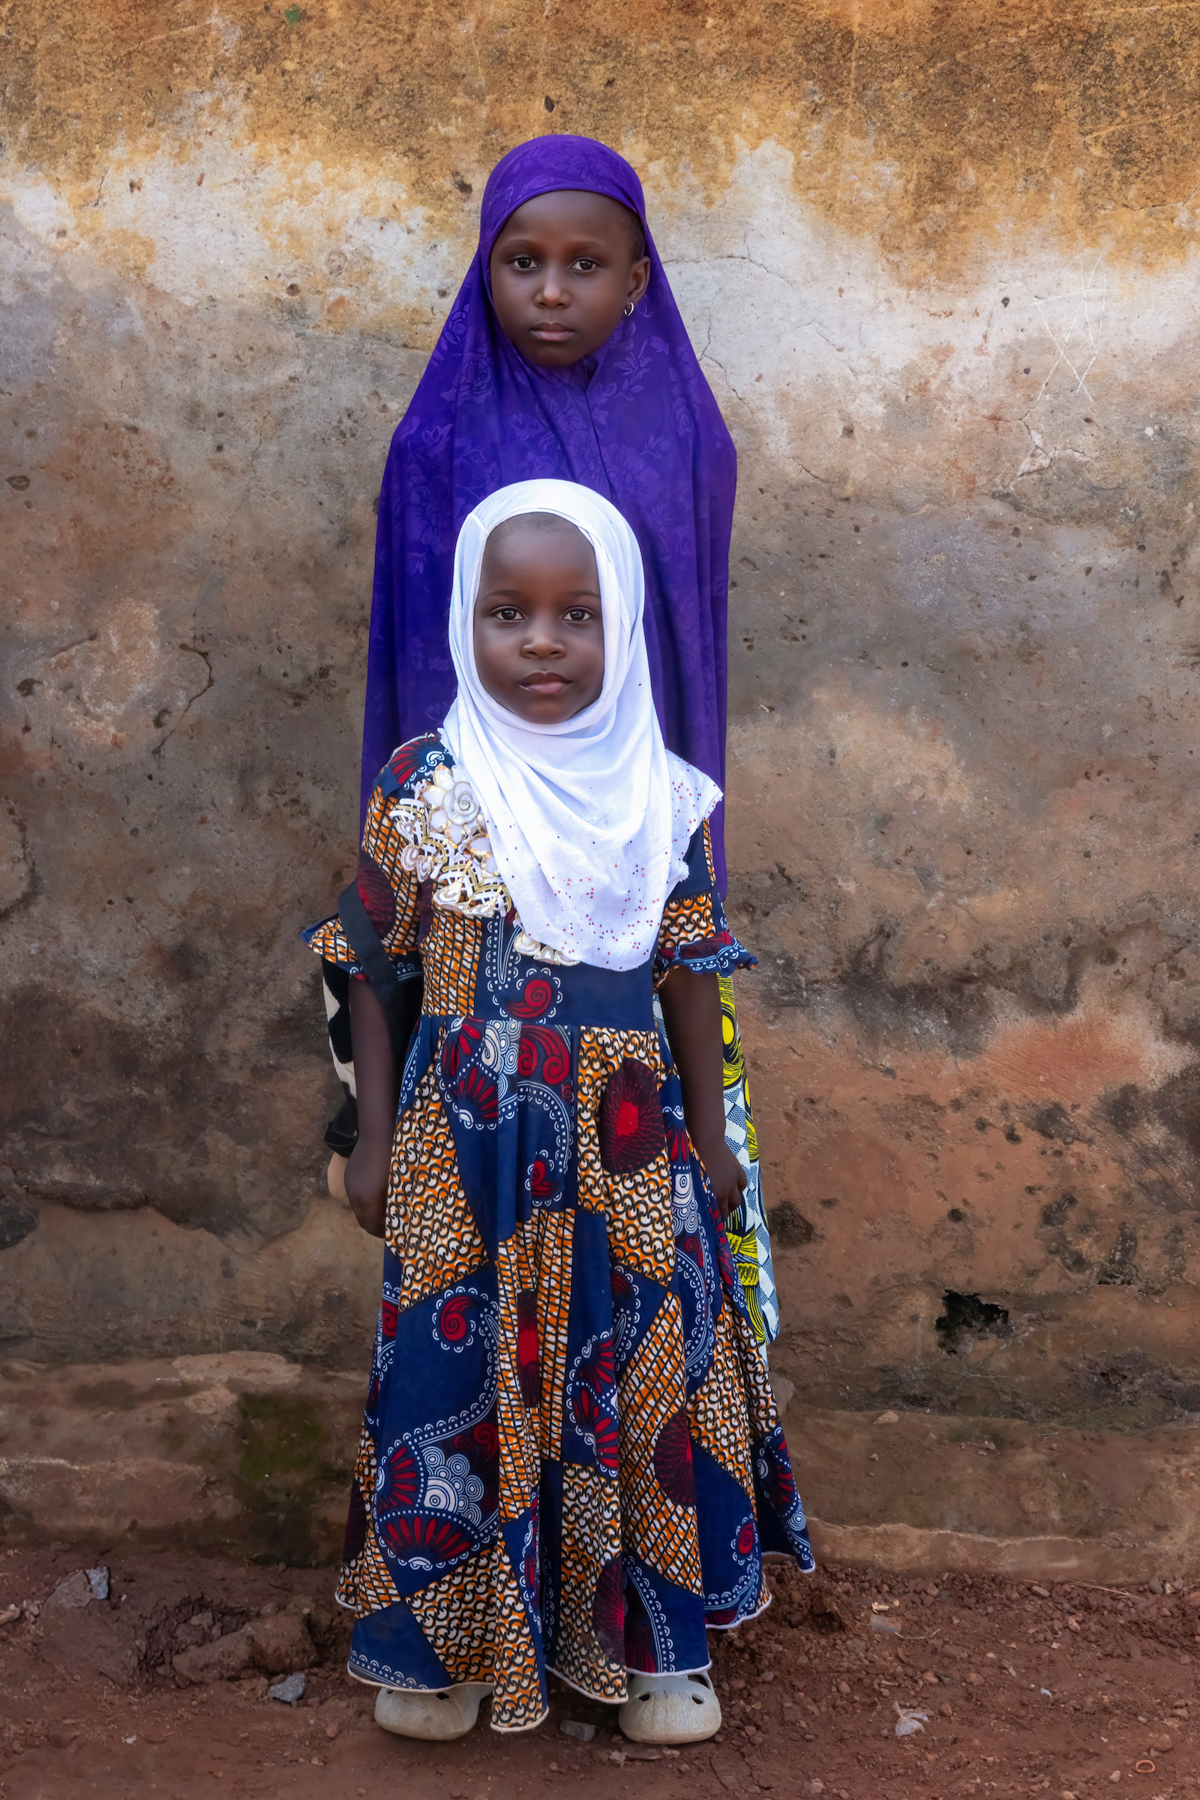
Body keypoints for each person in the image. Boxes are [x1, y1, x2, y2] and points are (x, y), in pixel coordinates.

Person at [306, 481, 813, 1744]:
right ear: (465, 629)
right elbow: (370, 960)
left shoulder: (664, 796)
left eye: (577, 615)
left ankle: (660, 1655)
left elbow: (690, 977)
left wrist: (712, 1135)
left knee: (643, 1372)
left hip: (631, 1137)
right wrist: (370, 1139)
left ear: (625, 627)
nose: (541, 642)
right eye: (508, 614)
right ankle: (444, 1653)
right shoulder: (429, 779)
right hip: (461, 1140)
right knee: (453, 1378)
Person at [343, 131, 780, 1349]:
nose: (551, 290)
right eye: (521, 261)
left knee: (639, 1269)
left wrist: (646, 821)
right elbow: (420, 657)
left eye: (586, 265)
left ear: (638, 278)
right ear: (484, 270)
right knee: (472, 1279)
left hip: (628, 835)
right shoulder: (437, 444)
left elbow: (675, 653)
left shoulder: (683, 443)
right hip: (474, 851)